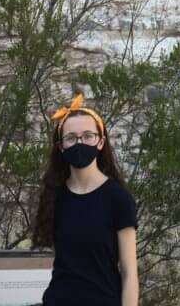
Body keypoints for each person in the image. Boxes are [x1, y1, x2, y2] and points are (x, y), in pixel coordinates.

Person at [32, 93, 138, 306]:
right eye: (71, 138)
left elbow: (129, 273)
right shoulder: (55, 196)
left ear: (100, 142)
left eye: (88, 136)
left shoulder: (118, 199)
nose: (80, 142)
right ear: (61, 146)